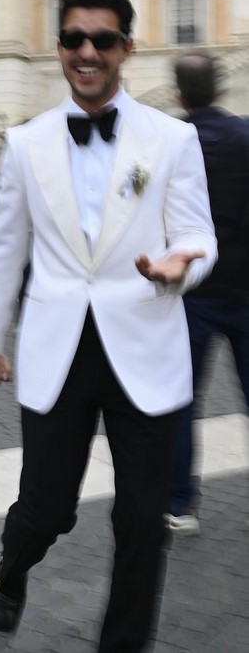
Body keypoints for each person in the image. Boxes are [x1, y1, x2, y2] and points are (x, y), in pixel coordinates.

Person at [0, 0, 217, 653]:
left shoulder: (171, 138)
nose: (87, 52)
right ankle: (13, 563)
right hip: (57, 351)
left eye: (102, 40)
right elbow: (4, 249)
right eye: (74, 39)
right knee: (46, 510)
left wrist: (181, 265)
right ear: (58, 47)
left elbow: (197, 233)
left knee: (142, 523)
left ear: (125, 49)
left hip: (146, 345)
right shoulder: (25, 144)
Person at [166, 52, 249, 536]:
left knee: (183, 403)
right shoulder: (245, 136)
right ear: (220, 88)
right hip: (246, 288)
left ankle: (181, 504)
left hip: (191, 291)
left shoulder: (170, 142)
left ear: (178, 94)